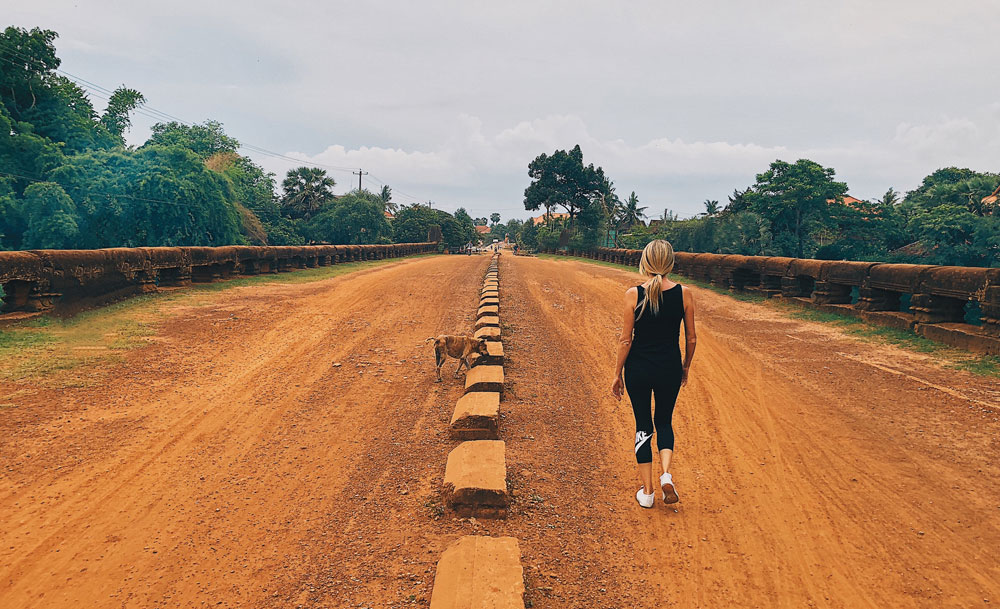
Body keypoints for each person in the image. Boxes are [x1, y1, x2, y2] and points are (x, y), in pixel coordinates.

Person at [611, 239, 697, 509]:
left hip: (638, 368)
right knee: (664, 422)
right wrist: (685, 367)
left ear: (645, 262)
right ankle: (667, 475)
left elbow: (626, 340)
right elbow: (692, 339)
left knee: (643, 426)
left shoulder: (634, 294)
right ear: (670, 263)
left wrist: (617, 374)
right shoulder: (684, 294)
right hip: (669, 366)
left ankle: (647, 492)